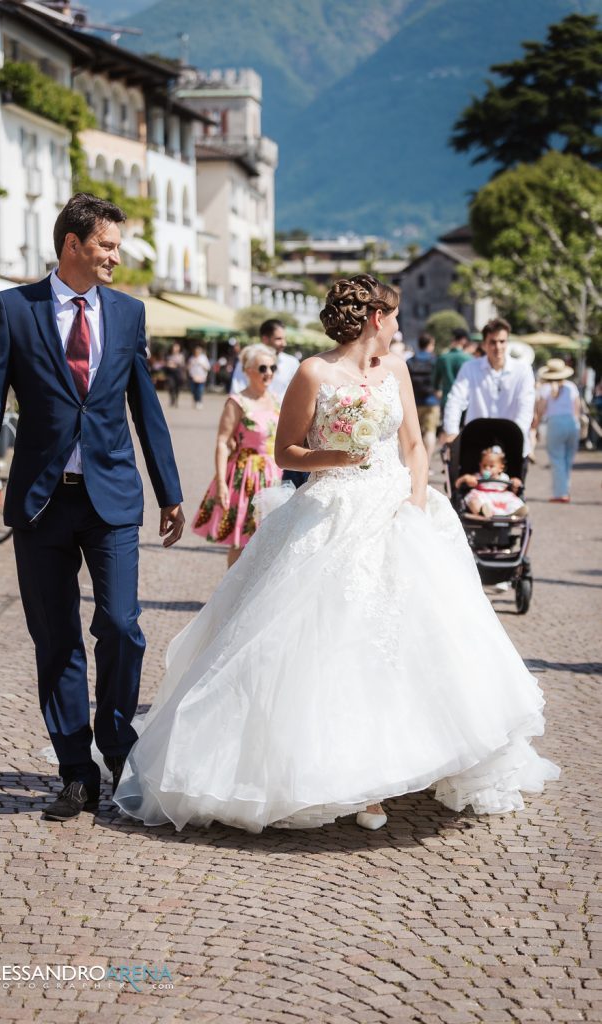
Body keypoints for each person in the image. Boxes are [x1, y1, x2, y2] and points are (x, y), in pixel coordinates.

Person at [113, 274, 558, 834]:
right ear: (375, 317)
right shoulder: (312, 372)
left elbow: (415, 448)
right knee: (331, 640)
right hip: (331, 509)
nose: (397, 325)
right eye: (393, 315)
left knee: (412, 639)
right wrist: (338, 459)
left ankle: (402, 766)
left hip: (397, 510)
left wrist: (414, 505)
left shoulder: (396, 370)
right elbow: (287, 451)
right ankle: (353, 780)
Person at [0, 193, 185, 822]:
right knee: (56, 640)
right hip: (39, 503)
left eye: (116, 246)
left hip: (111, 497)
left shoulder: (129, 313)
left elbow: (147, 408)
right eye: (107, 245)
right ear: (73, 245)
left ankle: (118, 745)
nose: (115, 256)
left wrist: (169, 490)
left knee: (120, 625)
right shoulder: (14, 310)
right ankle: (75, 772)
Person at [192, 343, 282, 568]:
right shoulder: (237, 402)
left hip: (276, 476)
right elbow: (223, 441)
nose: (269, 373)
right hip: (247, 476)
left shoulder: (279, 400)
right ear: (248, 370)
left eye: (273, 368)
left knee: (272, 539)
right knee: (242, 540)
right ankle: (232, 596)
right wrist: (221, 482)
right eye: (263, 368)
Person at [442, 318, 536, 473]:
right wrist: (452, 432)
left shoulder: (523, 370)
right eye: (493, 342)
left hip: (513, 448)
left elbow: (525, 407)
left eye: (502, 341)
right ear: (484, 344)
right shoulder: (470, 368)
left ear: (507, 342)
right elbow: (455, 400)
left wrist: (514, 438)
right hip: (476, 447)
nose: (498, 347)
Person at [535, 358, 581, 503]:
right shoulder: (571, 386)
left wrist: (535, 426)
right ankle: (565, 490)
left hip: (555, 423)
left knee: (557, 459)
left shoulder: (546, 388)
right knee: (568, 459)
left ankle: (560, 493)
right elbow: (577, 408)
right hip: (572, 422)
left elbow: (540, 410)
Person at [230, 320, 300, 401]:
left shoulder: (292, 363)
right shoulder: (249, 359)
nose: (284, 343)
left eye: (284, 339)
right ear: (265, 339)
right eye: (278, 339)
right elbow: (237, 390)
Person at [455, 445, 527, 518]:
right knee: (473, 501)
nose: (487, 469)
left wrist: (516, 483)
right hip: (483, 497)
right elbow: (458, 483)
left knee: (513, 500)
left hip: (501, 497)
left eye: (491, 466)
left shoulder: (504, 477)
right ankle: (481, 512)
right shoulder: (478, 476)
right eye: (484, 466)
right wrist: (465, 478)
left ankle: (514, 512)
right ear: (480, 465)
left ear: (500, 468)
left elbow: (514, 486)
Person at [407, 333, 440, 469]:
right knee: (430, 432)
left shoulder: (410, 361)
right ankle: (427, 462)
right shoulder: (435, 360)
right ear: (431, 345)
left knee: (415, 434)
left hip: (414, 401)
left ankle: (414, 463)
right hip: (431, 401)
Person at [434, 328, 472, 411]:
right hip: (465, 401)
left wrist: (437, 390)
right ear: (463, 340)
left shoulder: (442, 358)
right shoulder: (470, 359)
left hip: (447, 399)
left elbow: (435, 380)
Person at [187, 345, 210, 409]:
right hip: (193, 377)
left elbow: (208, 367)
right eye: (196, 351)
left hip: (201, 377)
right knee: (193, 391)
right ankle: (195, 401)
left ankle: (199, 402)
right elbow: (188, 367)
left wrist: (201, 364)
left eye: (198, 351)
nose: (197, 352)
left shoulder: (203, 358)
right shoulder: (191, 358)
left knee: (200, 390)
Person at [164, 342, 186, 407]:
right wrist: (168, 364)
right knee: (171, 386)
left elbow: (182, 364)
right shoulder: (168, 355)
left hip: (178, 373)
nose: (175, 348)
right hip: (170, 374)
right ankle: (172, 398)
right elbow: (165, 363)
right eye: (174, 347)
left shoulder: (181, 356)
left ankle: (176, 400)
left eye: (177, 347)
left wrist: (174, 364)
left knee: (177, 388)